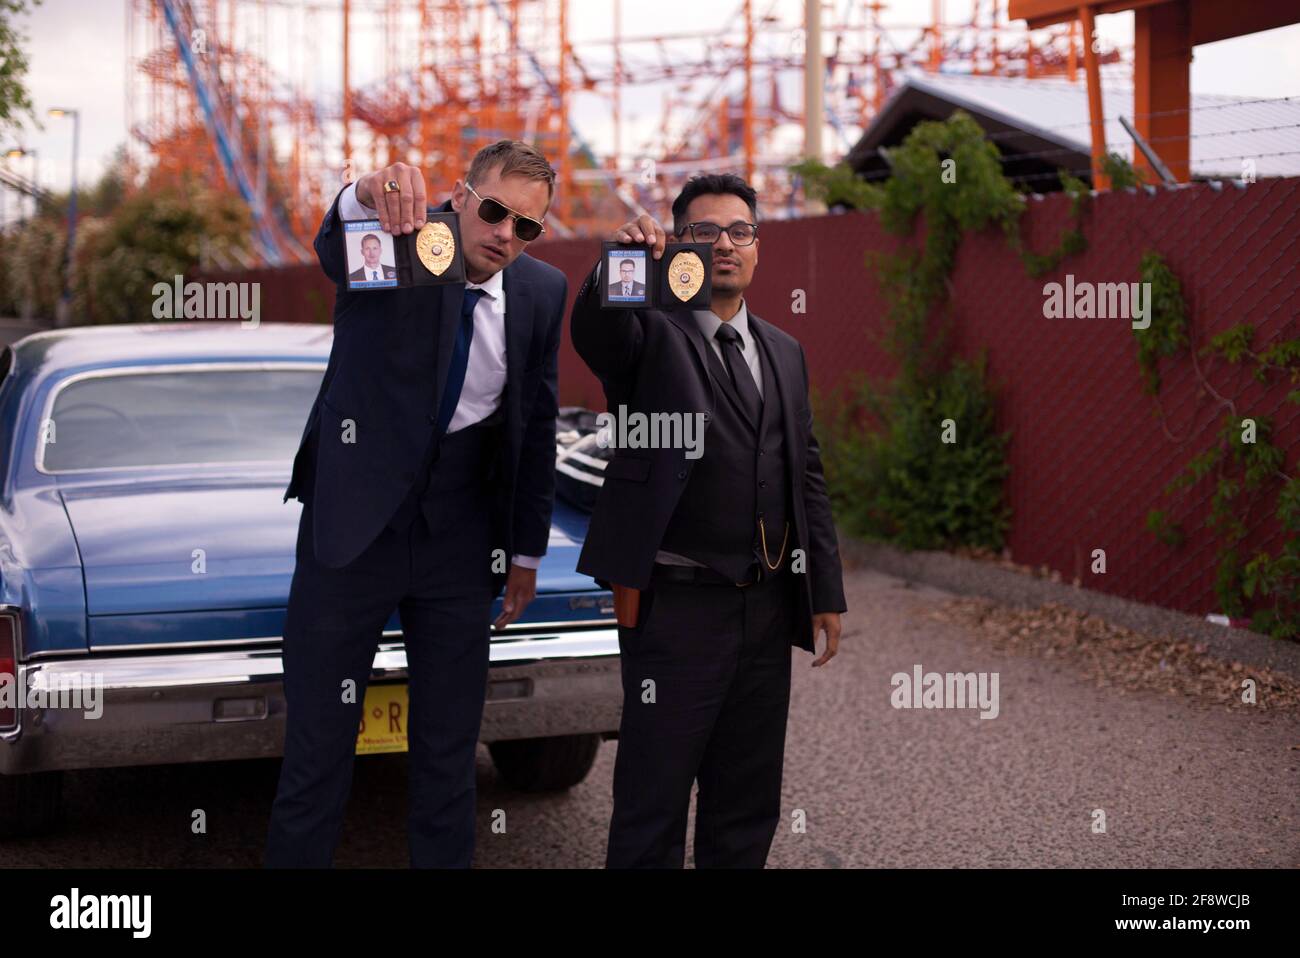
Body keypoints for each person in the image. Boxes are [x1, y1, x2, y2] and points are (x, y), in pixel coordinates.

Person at [267, 140, 567, 868]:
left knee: (447, 755)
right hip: (353, 532)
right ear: (460, 197)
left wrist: (526, 551)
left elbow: (536, 421)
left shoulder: (542, 292)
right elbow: (335, 249)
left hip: (460, 547)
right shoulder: (402, 240)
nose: (505, 234)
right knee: (317, 751)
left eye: (526, 226)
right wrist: (366, 192)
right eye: (495, 212)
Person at [570, 172, 847, 869]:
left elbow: (804, 471)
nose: (724, 244)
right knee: (652, 803)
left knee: (747, 804)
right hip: (673, 610)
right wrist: (620, 263)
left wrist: (827, 593)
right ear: (677, 246)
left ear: (757, 247)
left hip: (764, 605)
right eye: (703, 232)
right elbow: (596, 332)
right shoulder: (648, 335)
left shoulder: (785, 351)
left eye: (739, 231)